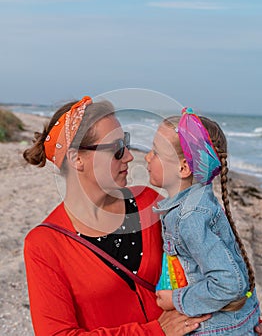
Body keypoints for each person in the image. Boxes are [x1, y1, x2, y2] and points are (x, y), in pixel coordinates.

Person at [23, 97, 211, 336]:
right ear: (76, 158)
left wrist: (240, 317)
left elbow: (205, 264)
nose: (129, 156)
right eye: (117, 149)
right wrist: (155, 331)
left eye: (127, 143)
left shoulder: (149, 202)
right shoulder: (44, 245)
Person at [145, 107, 262, 335]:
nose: (147, 157)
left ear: (184, 168)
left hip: (218, 329)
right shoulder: (197, 201)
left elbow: (228, 282)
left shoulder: (190, 217)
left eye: (155, 151)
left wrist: (176, 300)